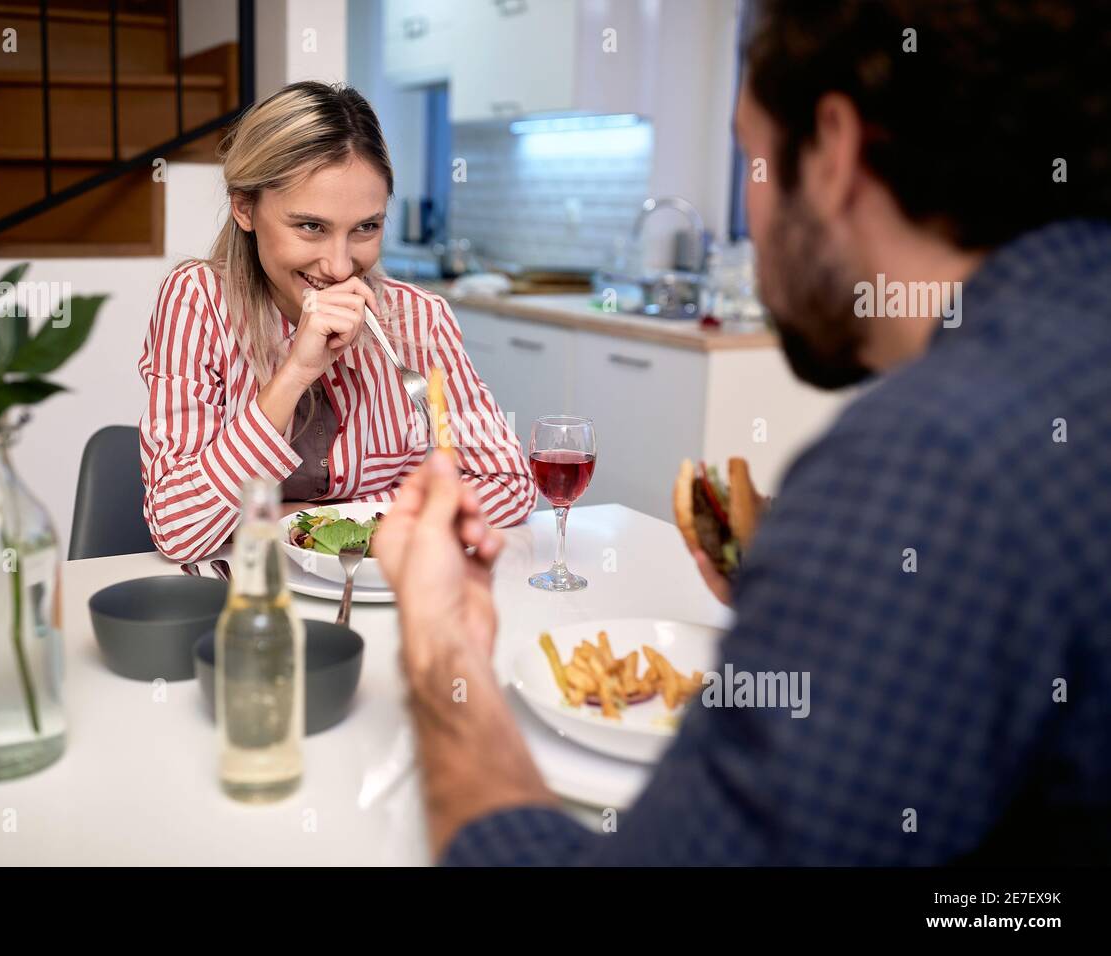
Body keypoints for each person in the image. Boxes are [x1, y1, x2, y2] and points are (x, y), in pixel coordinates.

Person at [374, 0, 1111, 865]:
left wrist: (438, 648)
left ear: (831, 150)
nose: (747, 224)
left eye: (751, 161)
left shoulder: (930, 465)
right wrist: (833, 610)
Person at [137, 82, 535, 563]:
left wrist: (332, 520)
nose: (341, 267)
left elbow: (509, 484)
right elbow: (179, 532)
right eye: (311, 227)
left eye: (367, 227)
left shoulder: (418, 319)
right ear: (245, 208)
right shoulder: (197, 302)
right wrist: (294, 374)